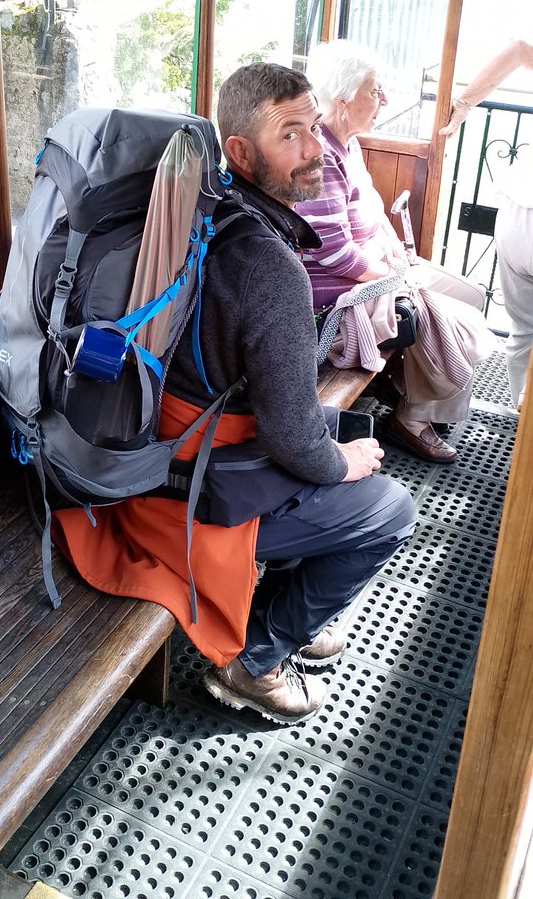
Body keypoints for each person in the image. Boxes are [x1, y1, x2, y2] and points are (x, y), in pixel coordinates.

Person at [51, 62, 415, 726]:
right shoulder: (270, 268)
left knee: (344, 432)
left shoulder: (204, 212)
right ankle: (257, 658)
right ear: (240, 152)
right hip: (191, 495)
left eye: (313, 128)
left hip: (141, 462)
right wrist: (345, 463)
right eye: (290, 135)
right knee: (388, 507)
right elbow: (296, 443)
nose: (313, 150)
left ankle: (286, 614)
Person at [295, 39, 497, 464]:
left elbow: (372, 211)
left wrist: (399, 255)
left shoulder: (347, 144)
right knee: (445, 316)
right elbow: (333, 255)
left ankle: (428, 400)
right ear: (346, 99)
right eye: (375, 89)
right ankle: (413, 418)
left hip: (377, 266)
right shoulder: (322, 157)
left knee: (473, 295)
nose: (384, 99)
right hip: (341, 289)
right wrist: (394, 276)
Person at [439, 39, 533, 408]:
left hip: (517, 208)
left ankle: (518, 413)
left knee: (523, 328)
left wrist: (463, 105)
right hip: (520, 209)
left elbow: (518, 49)